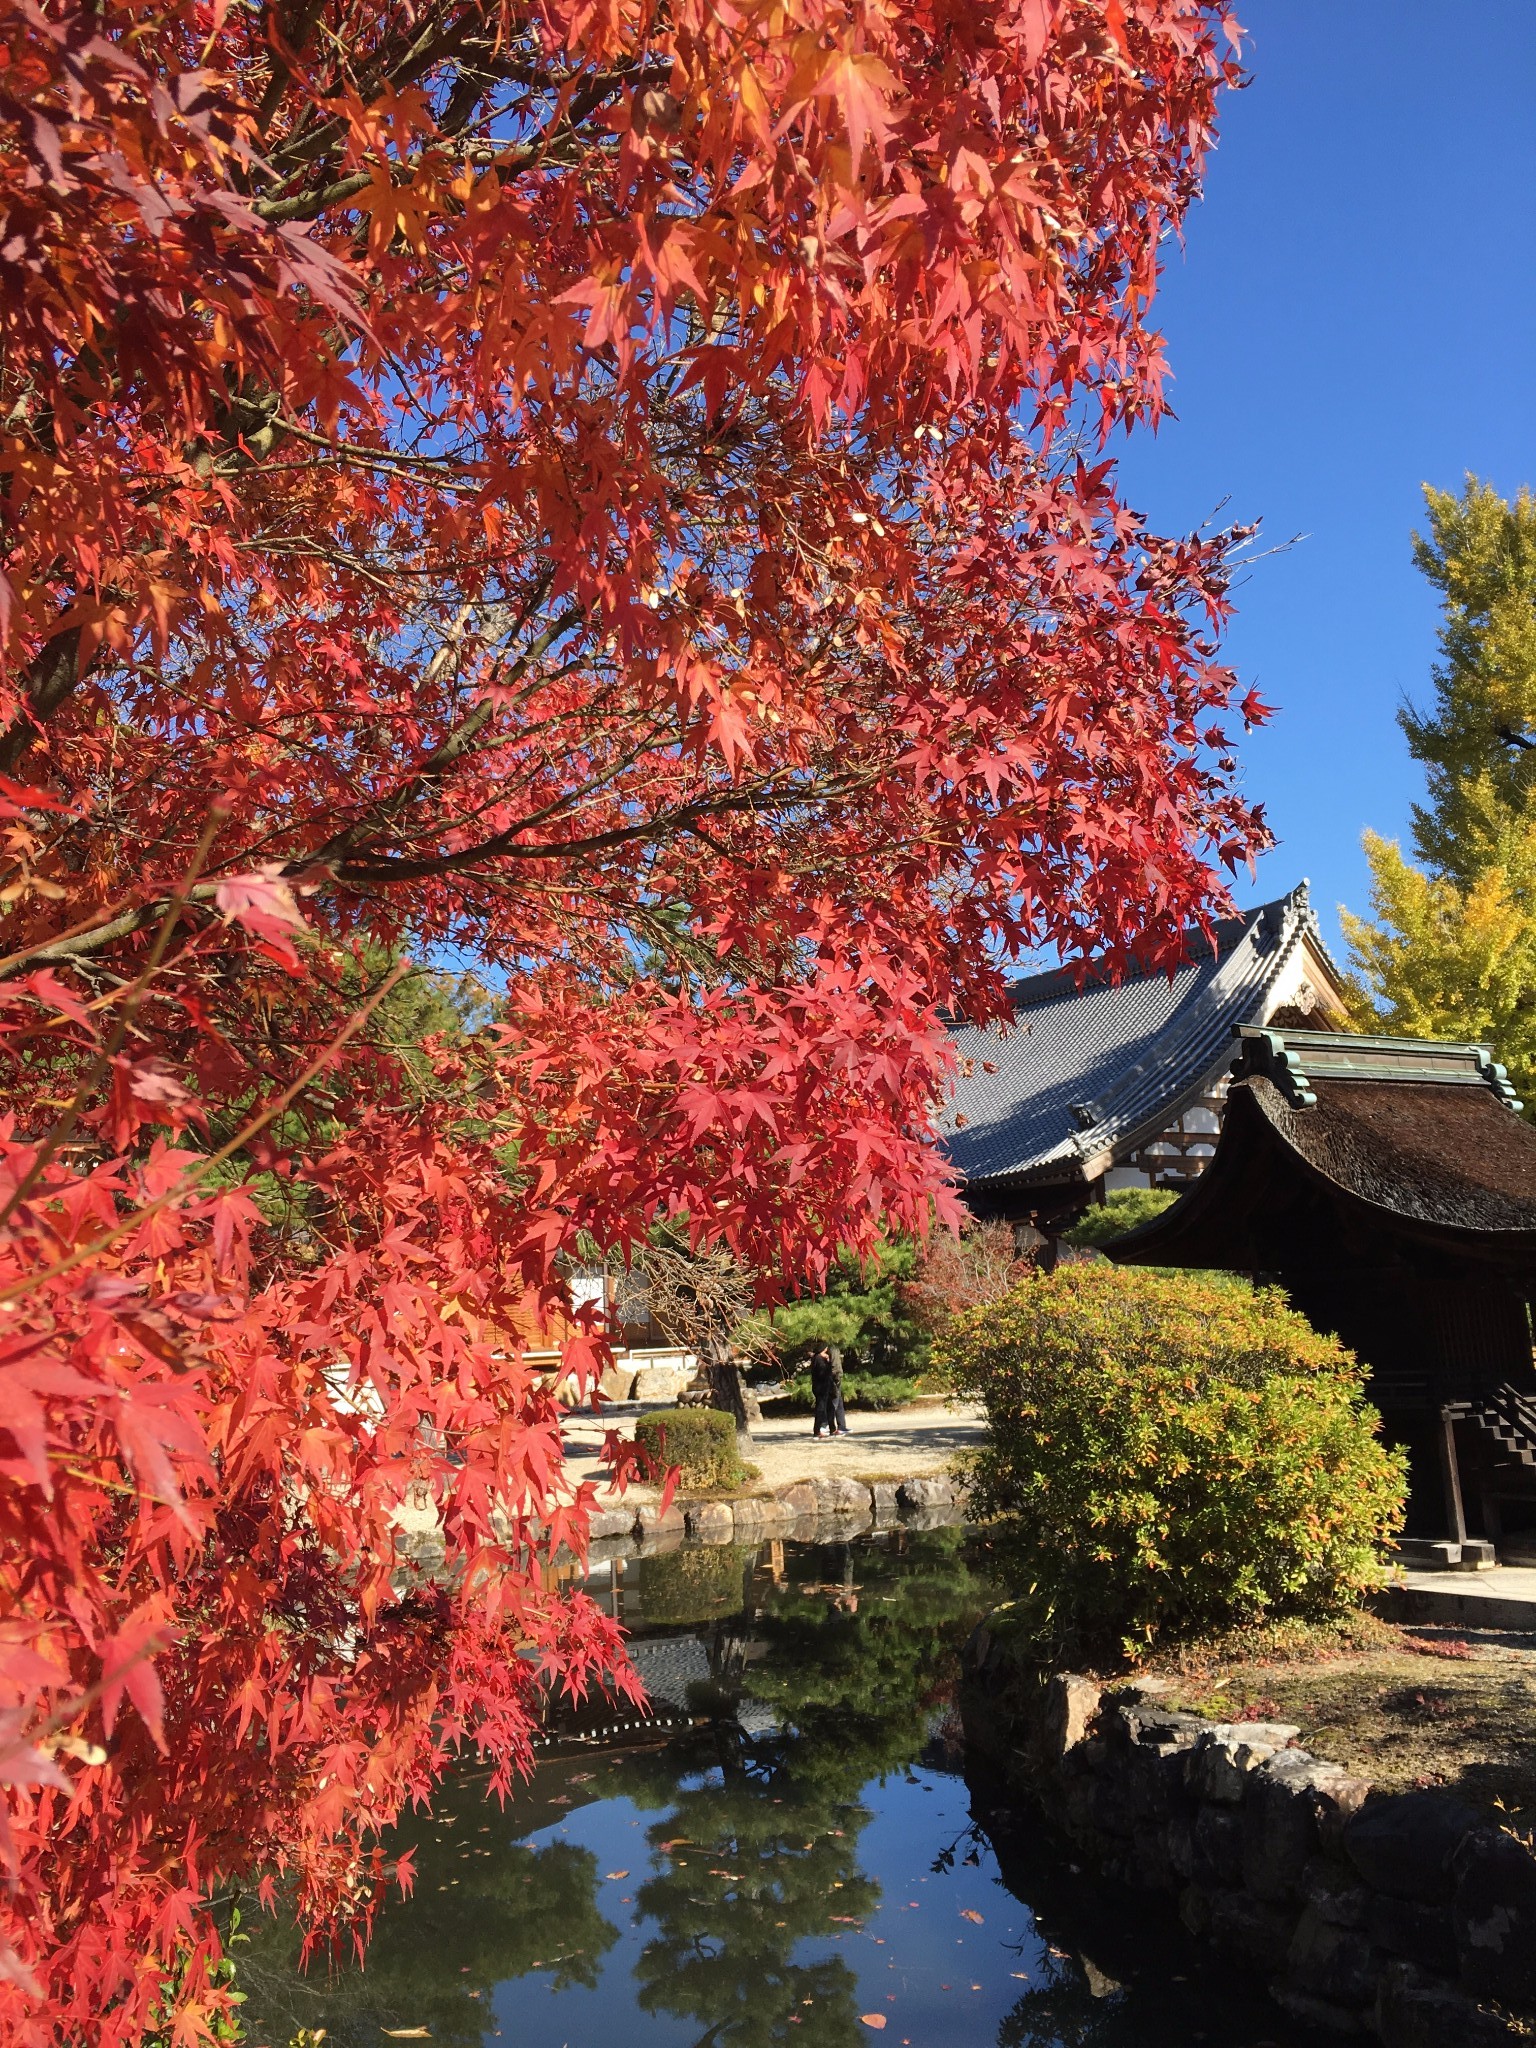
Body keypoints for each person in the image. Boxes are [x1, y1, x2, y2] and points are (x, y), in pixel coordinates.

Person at [809, 1346, 834, 1438]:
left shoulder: (816, 1358)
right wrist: (828, 1363)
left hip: (823, 1387)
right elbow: (823, 1373)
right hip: (821, 1387)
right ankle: (816, 1431)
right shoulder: (819, 1359)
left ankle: (833, 1429)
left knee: (830, 1407)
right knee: (820, 1409)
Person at [828, 1346, 848, 1435]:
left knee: (839, 1403)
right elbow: (834, 1365)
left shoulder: (835, 1348)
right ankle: (827, 1425)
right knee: (834, 1403)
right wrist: (836, 1377)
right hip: (835, 1377)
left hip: (837, 1376)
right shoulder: (833, 1349)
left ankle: (842, 1426)